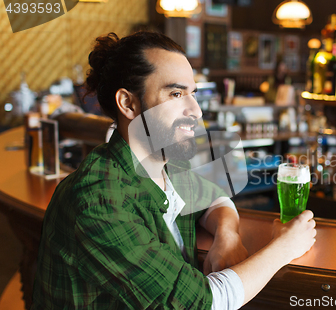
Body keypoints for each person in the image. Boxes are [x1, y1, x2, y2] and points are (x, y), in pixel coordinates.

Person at [31, 31, 316, 310]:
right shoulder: (98, 200)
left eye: (192, 93)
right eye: (176, 93)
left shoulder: (167, 163)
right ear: (128, 103)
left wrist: (227, 234)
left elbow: (216, 198)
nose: (196, 110)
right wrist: (285, 247)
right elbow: (203, 303)